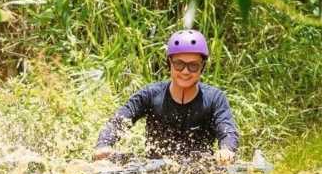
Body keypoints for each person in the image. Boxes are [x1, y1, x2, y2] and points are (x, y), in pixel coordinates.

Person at [93, 29, 239, 164]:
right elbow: (119, 121)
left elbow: (227, 130)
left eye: (193, 65)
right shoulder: (150, 94)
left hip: (200, 173)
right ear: (169, 63)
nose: (186, 71)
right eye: (179, 64)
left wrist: (226, 150)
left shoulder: (215, 98)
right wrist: (104, 144)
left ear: (203, 67)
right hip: (153, 171)